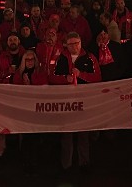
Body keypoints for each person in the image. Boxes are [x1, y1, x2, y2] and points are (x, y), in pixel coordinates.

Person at [49, 31, 101, 172]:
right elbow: (51, 77)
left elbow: (97, 78)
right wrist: (65, 79)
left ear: (81, 43)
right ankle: (66, 165)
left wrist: (82, 75)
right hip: (66, 102)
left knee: (83, 134)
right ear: (66, 45)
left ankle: (84, 164)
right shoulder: (60, 58)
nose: (74, 47)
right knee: (66, 135)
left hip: (84, 102)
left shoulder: (90, 57)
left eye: (76, 43)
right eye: (71, 44)